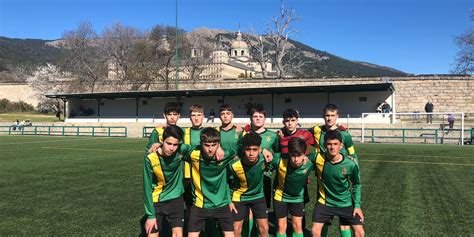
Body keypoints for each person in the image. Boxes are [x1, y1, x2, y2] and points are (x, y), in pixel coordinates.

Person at [309, 104, 358, 237]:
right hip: (322, 174)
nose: (329, 118)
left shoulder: (344, 134)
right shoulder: (316, 130)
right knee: (322, 217)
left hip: (341, 174)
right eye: (327, 115)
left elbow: (352, 154)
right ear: (323, 116)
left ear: (337, 117)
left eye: (332, 115)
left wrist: (354, 168)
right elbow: (299, 135)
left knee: (345, 222)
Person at [183, 127, 237, 237]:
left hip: (222, 205)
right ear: (200, 144)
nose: (210, 149)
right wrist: (158, 145)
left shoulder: (226, 155)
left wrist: (263, 150)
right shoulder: (193, 154)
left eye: (214, 145)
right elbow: (176, 145)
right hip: (199, 205)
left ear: (219, 144)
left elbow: (243, 148)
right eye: (207, 145)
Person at [143, 125, 194, 237]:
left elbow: (200, 151)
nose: (172, 148)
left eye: (175, 144)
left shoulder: (182, 149)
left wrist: (218, 147)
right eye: (168, 143)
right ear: (162, 141)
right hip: (157, 200)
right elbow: (147, 188)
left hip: (176, 199)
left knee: (177, 234)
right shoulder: (150, 158)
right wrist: (151, 216)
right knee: (152, 234)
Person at [311, 130, 364, 237]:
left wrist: (357, 206)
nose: (332, 147)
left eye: (335, 144)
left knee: (359, 232)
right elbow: (300, 157)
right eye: (329, 144)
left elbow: (356, 184)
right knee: (315, 231)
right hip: (325, 202)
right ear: (325, 145)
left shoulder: (350, 164)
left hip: (345, 202)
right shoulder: (317, 158)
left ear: (341, 146)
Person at [266, 137, 320, 237]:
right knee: (281, 226)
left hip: (298, 198)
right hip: (280, 196)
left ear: (305, 154)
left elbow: (329, 156)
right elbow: (264, 157)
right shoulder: (279, 159)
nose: (295, 159)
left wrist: (348, 157)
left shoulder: (310, 161)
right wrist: (263, 150)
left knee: (297, 226)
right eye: (292, 155)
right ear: (289, 153)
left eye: (299, 155)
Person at [228, 132, 270, 237]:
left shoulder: (265, 159)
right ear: (243, 149)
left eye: (254, 150)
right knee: (236, 228)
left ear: (260, 149)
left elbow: (281, 158)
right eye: (248, 149)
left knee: (264, 228)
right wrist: (229, 200)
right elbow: (224, 182)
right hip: (239, 198)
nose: (251, 153)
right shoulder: (234, 165)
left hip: (258, 196)